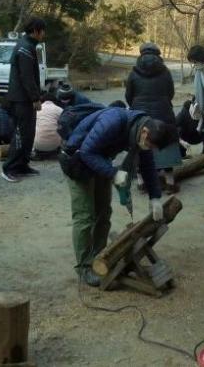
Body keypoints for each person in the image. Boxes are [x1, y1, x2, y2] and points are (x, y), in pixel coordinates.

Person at [58, 107, 175, 286]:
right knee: (85, 217)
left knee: (104, 213)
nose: (149, 149)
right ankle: (84, 268)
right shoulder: (113, 121)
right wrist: (114, 173)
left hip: (99, 162)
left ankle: (99, 258)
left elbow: (148, 166)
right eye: (150, 145)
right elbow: (87, 151)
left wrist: (155, 198)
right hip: (77, 162)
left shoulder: (142, 130)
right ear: (145, 132)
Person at [125, 42, 180, 192]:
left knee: (140, 144)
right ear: (158, 54)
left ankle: (142, 183)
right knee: (167, 141)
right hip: (163, 112)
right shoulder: (165, 72)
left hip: (140, 115)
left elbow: (128, 96)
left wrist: (137, 106)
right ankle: (170, 182)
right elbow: (171, 93)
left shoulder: (133, 73)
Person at [2, 18, 46, 182]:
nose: (44, 34)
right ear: (36, 30)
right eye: (42, 30)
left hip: (24, 98)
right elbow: (26, 76)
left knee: (29, 134)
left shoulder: (28, 46)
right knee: (21, 134)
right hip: (21, 99)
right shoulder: (25, 48)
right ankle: (9, 168)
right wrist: (35, 98)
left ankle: (22, 165)